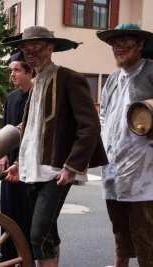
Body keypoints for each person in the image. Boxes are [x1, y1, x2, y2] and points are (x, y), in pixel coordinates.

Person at [1, 26, 108, 267]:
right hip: (31, 172)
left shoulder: (70, 78)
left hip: (54, 172)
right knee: (48, 235)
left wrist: (71, 166)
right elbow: (30, 133)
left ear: (51, 47)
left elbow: (90, 126)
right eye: (26, 49)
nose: (30, 53)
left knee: (38, 237)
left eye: (36, 47)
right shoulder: (36, 83)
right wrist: (18, 164)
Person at [96, 23, 153, 267]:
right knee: (119, 226)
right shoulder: (112, 78)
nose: (119, 48)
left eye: (126, 43)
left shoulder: (151, 71)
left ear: (140, 44)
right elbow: (103, 116)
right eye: (115, 44)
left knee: (144, 230)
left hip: (143, 168)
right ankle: (120, 264)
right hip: (112, 165)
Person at [0, 49, 35, 264]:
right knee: (8, 211)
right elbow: (4, 130)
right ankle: (8, 255)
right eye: (11, 70)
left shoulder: (37, 96)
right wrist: (2, 155)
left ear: (30, 72)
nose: (12, 74)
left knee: (26, 214)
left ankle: (26, 257)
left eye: (17, 70)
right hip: (10, 161)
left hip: (30, 165)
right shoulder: (11, 98)